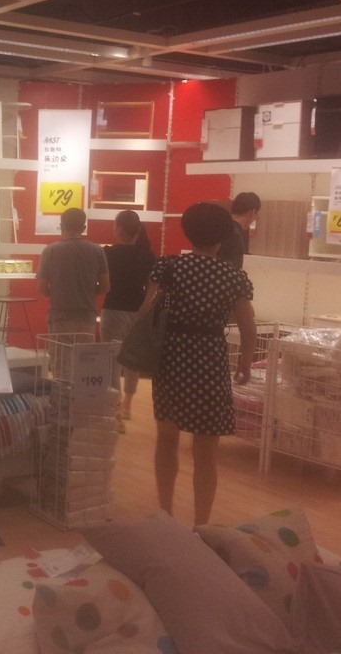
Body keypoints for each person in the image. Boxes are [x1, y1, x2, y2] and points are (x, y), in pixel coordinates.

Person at [142, 200, 257, 527]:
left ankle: (166, 514)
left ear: (188, 232)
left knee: (167, 439)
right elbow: (248, 328)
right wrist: (245, 363)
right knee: (206, 452)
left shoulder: (168, 267)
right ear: (222, 237)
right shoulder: (233, 277)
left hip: (172, 357)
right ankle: (201, 525)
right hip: (209, 360)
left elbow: (145, 312)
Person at [101, 210, 155, 429]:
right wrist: (146, 306)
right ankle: (127, 406)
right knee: (132, 360)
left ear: (119, 229)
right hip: (137, 310)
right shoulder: (147, 255)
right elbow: (152, 285)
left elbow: (102, 284)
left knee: (111, 360)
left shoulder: (108, 253)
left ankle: (114, 408)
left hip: (113, 308)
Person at [36, 206, 110, 337]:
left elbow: (42, 288)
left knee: (59, 350)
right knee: (84, 350)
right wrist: (89, 294)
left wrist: (57, 295)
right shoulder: (97, 251)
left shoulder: (50, 251)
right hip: (86, 316)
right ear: (83, 228)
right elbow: (105, 287)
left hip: (59, 315)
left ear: (61, 226)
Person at [216, 191, 261, 269]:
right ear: (252, 212)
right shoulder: (235, 234)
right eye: (256, 214)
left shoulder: (221, 227)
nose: (257, 218)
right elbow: (229, 268)